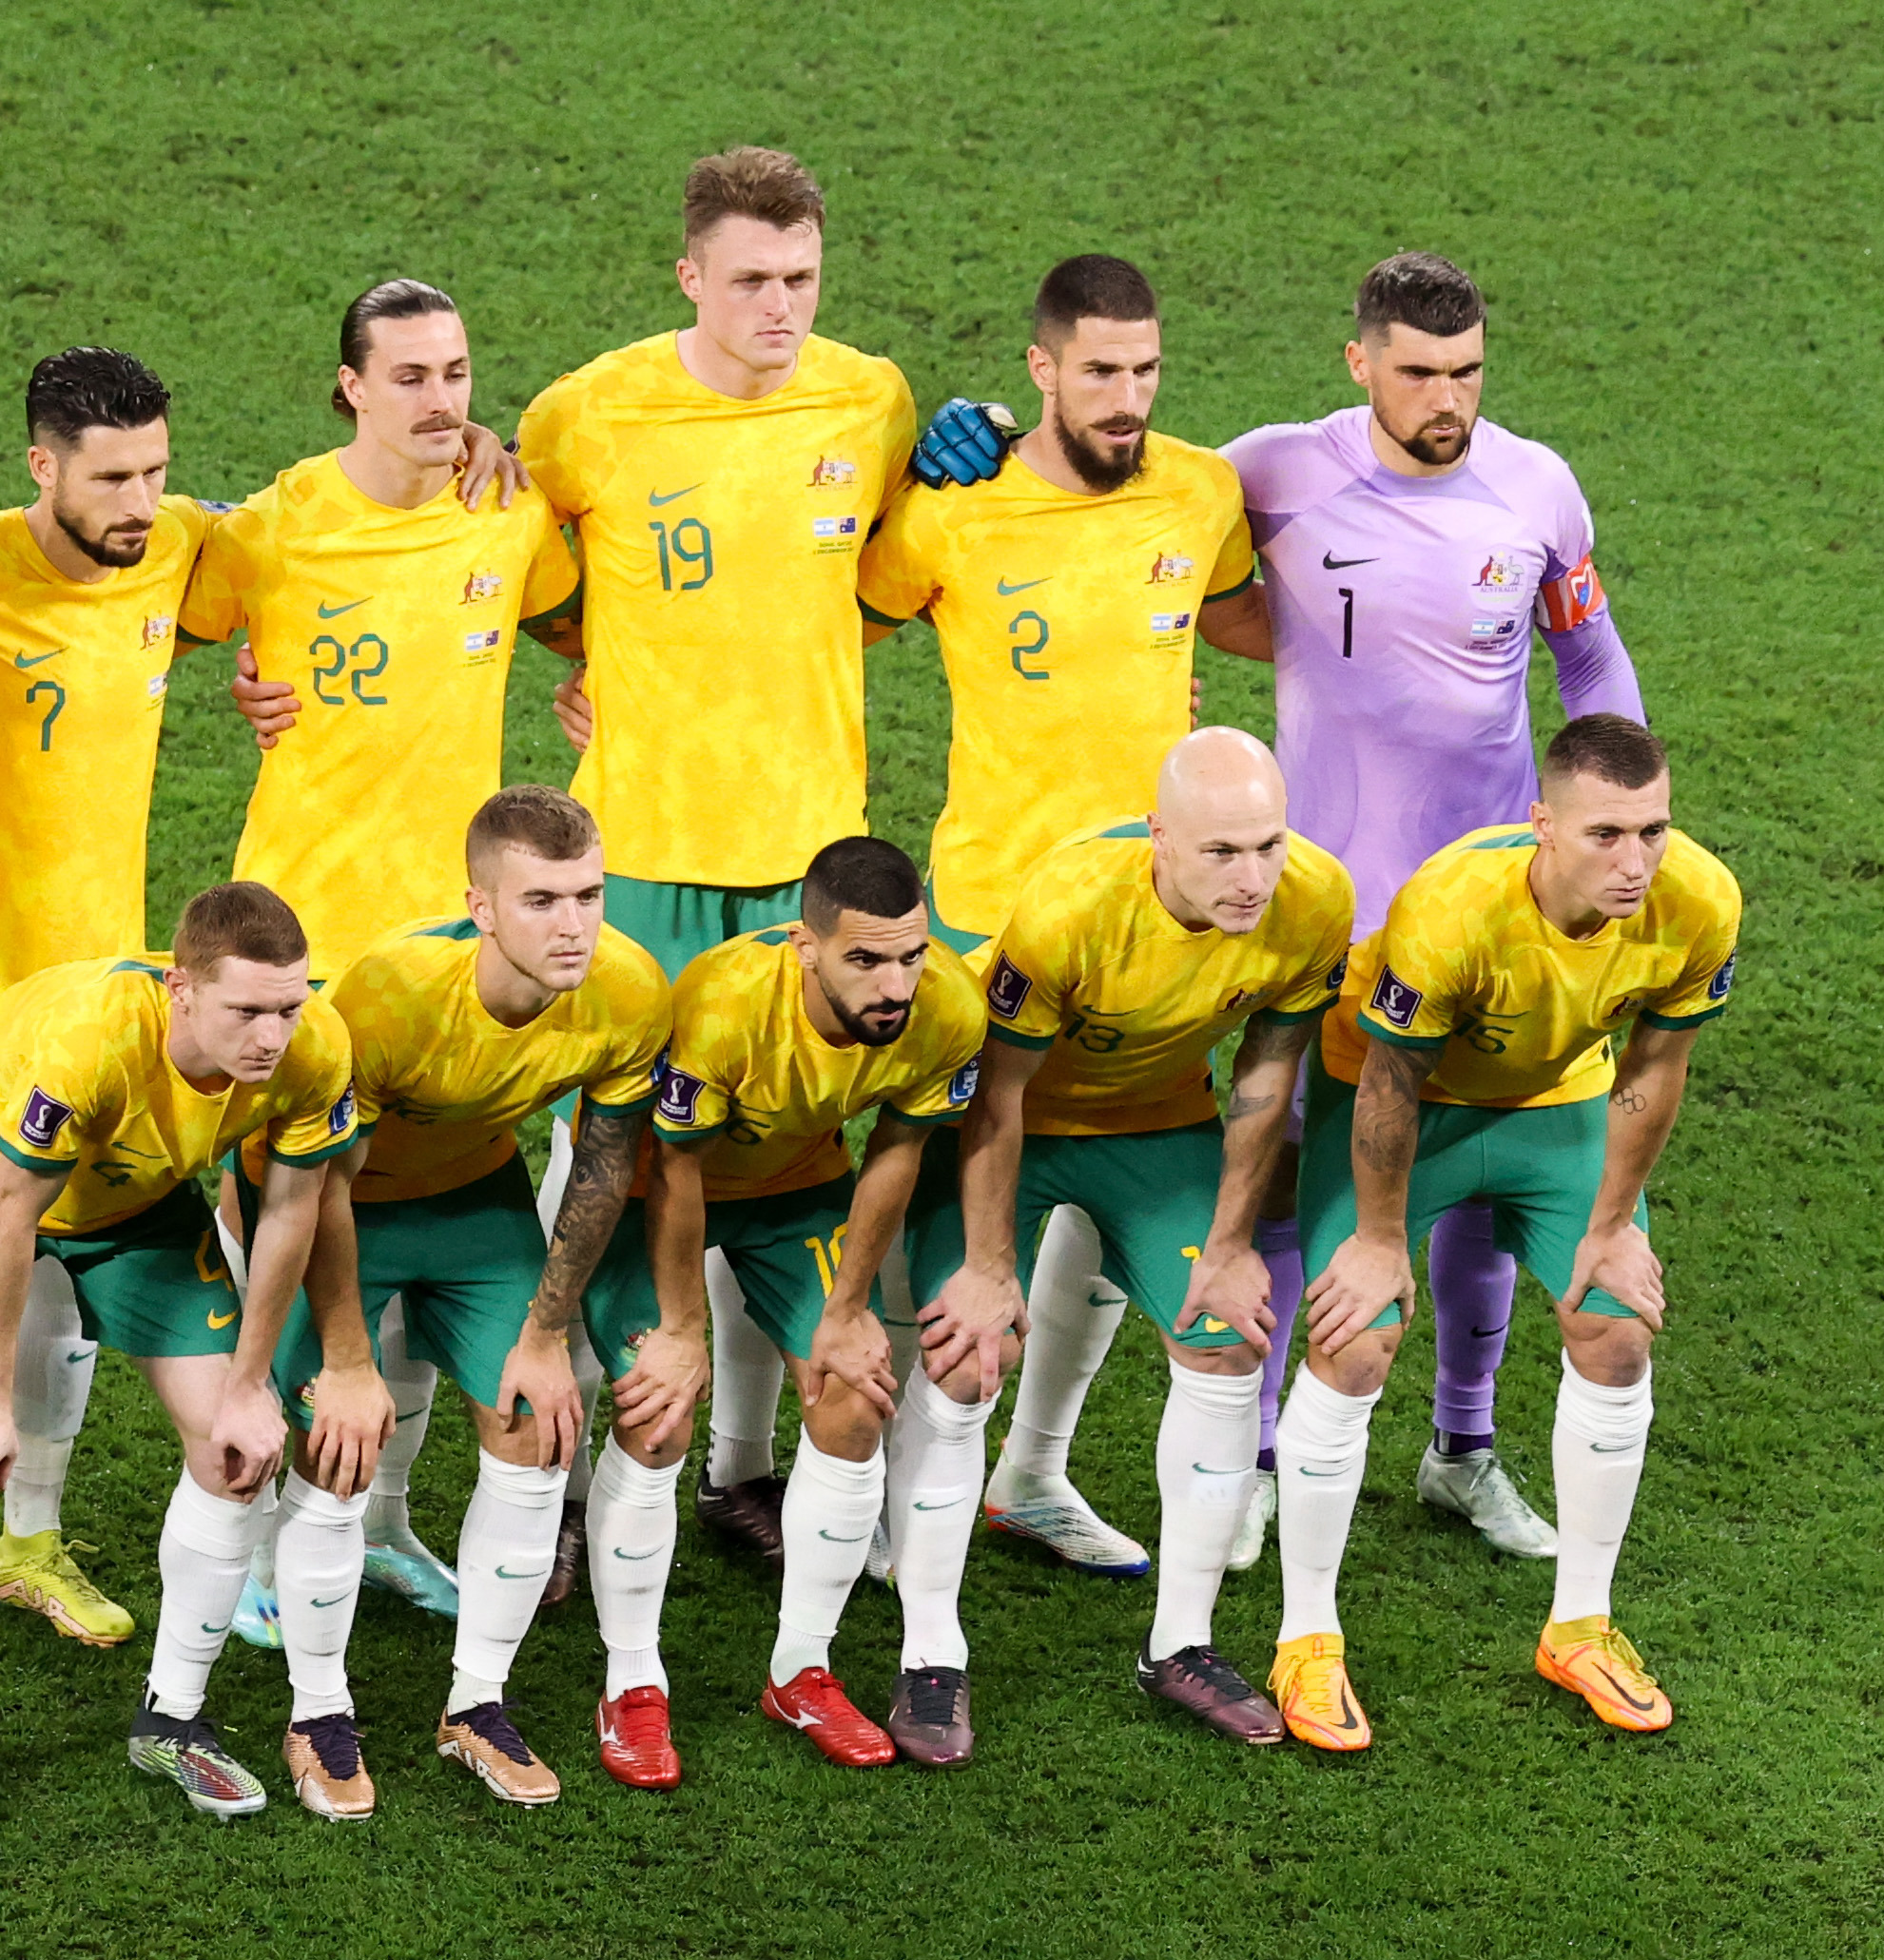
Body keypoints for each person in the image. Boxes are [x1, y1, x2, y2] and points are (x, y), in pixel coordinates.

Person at [0, 353, 520, 1654]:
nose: (139, 501)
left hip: (102, 988)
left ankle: (29, 1541)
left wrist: (449, 439)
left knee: (68, 1286)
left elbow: (325, 533)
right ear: (43, 467)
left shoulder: (177, 546)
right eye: (110, 478)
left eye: (154, 471)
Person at [913, 252, 1651, 1571]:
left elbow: (1586, 648)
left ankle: (1462, 1448)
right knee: (1289, 1164)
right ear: (1359, 363)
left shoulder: (1535, 487)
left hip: (1493, 895)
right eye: (1417, 372)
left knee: (1483, 1158)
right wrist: (981, 427)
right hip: (1327, 905)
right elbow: (1130, 504)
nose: (1445, 398)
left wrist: (1618, 815)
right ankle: (1252, 1457)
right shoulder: (1267, 471)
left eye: (1467, 371)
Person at [518, 145, 918, 1554]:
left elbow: (884, 575)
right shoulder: (588, 412)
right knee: (604, 1153)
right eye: (750, 280)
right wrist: (594, 657)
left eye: (800, 278)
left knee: (787, 1144)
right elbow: (519, 564)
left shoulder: (869, 399)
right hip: (641, 855)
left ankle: (741, 1470)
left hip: (807, 858)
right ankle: (561, 1487)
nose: (779, 307)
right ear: (689, 275)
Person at [856, 252, 1255, 1577]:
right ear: (1040, 369)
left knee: (1101, 1172)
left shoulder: (1199, 491)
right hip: (994, 918)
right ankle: (889, 1504)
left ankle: (1030, 1475)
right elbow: (824, 618)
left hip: (1148, 919)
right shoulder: (956, 509)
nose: (1125, 396)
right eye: (1097, 371)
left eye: (1144, 369)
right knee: (952, 1219)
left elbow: (1244, 617)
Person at [200, 279, 582, 1624]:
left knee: (415, 1228)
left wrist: (591, 683)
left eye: (456, 373)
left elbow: (587, 618)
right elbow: (137, 604)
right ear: (350, 386)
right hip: (303, 950)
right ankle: (254, 1551)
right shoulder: (271, 527)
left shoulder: (507, 511)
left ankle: (380, 1522)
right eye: (409, 376)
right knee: (285, 1234)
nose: (441, 399)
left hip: (453, 946)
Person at [0, 884, 388, 1845]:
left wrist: (249, 1386)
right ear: (180, 990)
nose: (272, 1036)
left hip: (134, 1199)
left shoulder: (314, 1048)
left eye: (288, 1006)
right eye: (247, 1010)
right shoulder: (93, 1041)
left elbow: (293, 1208)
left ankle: (171, 1720)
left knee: (234, 1455)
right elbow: (10, 1209)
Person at [1277, 714, 1738, 1751]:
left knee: (1616, 1326)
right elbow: (1389, 1082)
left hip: (1552, 1105)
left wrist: (1612, 1227)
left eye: (1652, 831)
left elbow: (1656, 1064)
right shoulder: (1450, 908)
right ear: (1543, 825)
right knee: (1356, 1338)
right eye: (1605, 835)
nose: (1635, 863)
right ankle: (1306, 1641)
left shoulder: (1700, 901)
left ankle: (1580, 1628)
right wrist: (1378, 1240)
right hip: (1405, 1099)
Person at [903, 730, 1352, 1755]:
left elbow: (1266, 1068)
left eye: (1268, 845)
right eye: (1221, 852)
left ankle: (1180, 1644)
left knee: (1227, 1338)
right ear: (1160, 837)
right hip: (1012, 1124)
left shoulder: (1315, 899)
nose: (1253, 878)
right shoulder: (1068, 907)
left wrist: (1231, 1243)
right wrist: (987, 1270)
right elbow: (997, 1094)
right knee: (966, 1354)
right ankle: (929, 1653)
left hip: (1156, 1125)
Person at [266, 787, 669, 1810]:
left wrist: (545, 1334)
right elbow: (317, 1183)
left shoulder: (628, 990)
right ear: (479, 908)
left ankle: (475, 1704)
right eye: (540, 900)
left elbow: (602, 1168)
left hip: (473, 1205)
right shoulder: (390, 993)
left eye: (588, 895)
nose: (573, 925)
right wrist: (346, 1358)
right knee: (335, 1441)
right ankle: (317, 1713)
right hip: (341, 1206)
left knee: (538, 1426)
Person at [575, 837, 982, 1779]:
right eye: (866, 959)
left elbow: (896, 1150)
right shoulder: (720, 1005)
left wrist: (848, 1310)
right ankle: (630, 1682)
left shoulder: (948, 1008)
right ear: (805, 946)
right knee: (657, 1411)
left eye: (912, 956)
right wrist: (682, 1329)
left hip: (796, 1189)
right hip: (649, 1194)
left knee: (853, 1396)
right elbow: (675, 1169)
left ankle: (800, 1670)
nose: (897, 985)